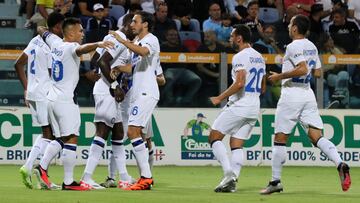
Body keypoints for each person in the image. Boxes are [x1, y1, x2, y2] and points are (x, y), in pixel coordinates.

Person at [260, 14, 351, 194]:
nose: (288, 27)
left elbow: (302, 68)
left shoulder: (294, 46)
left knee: (280, 138)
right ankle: (340, 162)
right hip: (307, 94)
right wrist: (300, 70)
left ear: (294, 28)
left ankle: (275, 181)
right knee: (316, 136)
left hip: (292, 93)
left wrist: (280, 76)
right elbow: (317, 73)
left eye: (290, 24)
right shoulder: (311, 46)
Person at [34, 17, 114, 191]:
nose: (82, 33)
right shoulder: (71, 47)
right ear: (70, 33)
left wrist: (42, 28)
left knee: (62, 138)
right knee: (71, 137)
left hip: (52, 98)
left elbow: (41, 30)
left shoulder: (54, 42)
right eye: (80, 31)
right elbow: (81, 49)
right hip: (65, 100)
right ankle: (65, 179)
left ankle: (44, 168)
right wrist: (98, 44)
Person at [79, 14, 136, 190]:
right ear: (126, 24)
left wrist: (101, 73)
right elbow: (103, 60)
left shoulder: (112, 38)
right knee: (102, 133)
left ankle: (124, 177)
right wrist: (113, 84)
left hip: (107, 88)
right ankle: (86, 177)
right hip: (107, 90)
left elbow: (96, 58)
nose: (135, 27)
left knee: (118, 133)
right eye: (133, 23)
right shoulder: (120, 39)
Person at [208, 24, 266, 193]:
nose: (230, 39)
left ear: (239, 38)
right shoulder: (259, 57)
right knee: (236, 144)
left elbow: (239, 82)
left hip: (240, 105)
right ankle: (232, 181)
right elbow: (263, 88)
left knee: (214, 137)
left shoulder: (240, 56)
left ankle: (228, 174)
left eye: (232, 36)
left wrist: (220, 97)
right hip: (254, 106)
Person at [110, 11, 160, 190]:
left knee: (132, 131)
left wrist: (123, 41)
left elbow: (144, 52)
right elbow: (134, 67)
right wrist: (118, 68)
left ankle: (146, 178)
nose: (132, 24)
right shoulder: (137, 42)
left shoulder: (151, 40)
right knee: (136, 133)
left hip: (147, 92)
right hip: (139, 94)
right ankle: (145, 177)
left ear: (145, 24)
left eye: (135, 21)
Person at [15, 12, 65, 190]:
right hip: (45, 94)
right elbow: (54, 74)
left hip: (33, 93)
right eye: (62, 26)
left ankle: (29, 168)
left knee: (47, 134)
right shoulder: (53, 45)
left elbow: (18, 64)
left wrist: (26, 88)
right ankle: (37, 171)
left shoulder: (35, 40)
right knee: (58, 136)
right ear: (57, 27)